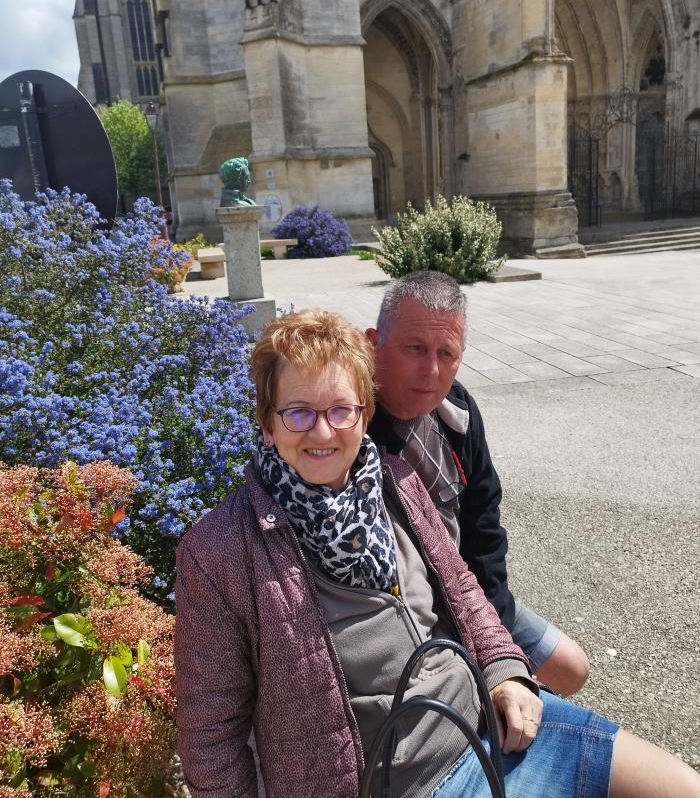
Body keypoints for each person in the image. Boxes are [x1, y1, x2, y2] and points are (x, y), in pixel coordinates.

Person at [175, 309, 700, 798]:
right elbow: (211, 735)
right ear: (267, 423)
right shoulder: (220, 550)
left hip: (486, 728)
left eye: (340, 409)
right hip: (400, 782)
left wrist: (504, 672)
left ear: (364, 414)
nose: (322, 431)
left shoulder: (395, 480)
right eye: (297, 413)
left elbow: (464, 587)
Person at [366, 270, 589, 696]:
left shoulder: (458, 411)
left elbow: (484, 524)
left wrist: (494, 630)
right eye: (414, 348)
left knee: (572, 669)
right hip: (407, 620)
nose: (430, 370)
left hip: (471, 596)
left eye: (446, 353)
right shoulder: (349, 425)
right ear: (373, 342)